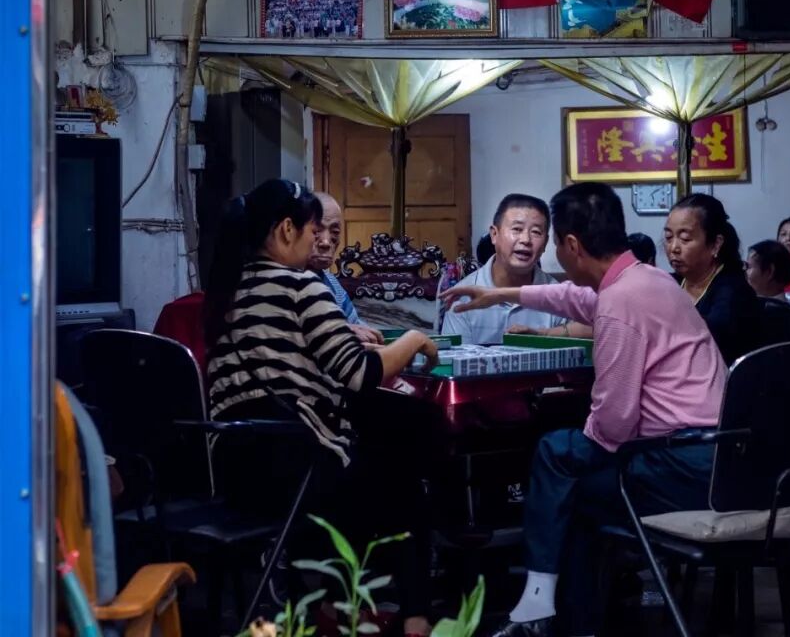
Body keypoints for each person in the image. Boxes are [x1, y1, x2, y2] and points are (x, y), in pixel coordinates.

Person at [441, 183, 725, 637]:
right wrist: (501, 295)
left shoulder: (620, 305)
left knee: (558, 457)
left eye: (550, 238)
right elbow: (576, 299)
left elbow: (613, 425)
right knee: (569, 480)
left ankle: (541, 611)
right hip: (721, 456)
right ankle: (552, 614)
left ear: (571, 245)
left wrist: (584, 436)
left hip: (682, 464)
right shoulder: (649, 280)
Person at [203, 179, 442, 637]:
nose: (319, 241)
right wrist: (414, 339)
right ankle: (414, 617)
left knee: (373, 460)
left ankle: (338, 604)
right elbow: (361, 374)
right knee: (404, 477)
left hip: (236, 473)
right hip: (297, 476)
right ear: (286, 230)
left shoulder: (231, 289)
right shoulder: (301, 286)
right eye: (314, 231)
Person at [439, 194, 566, 344]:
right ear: (494, 235)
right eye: (517, 229)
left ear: (545, 244)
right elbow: (455, 357)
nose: (526, 240)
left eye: (536, 232)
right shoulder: (464, 298)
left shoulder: (559, 298)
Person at [663, 193, 761, 366]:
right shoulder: (669, 283)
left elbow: (707, 345)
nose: (674, 248)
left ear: (716, 244)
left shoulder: (734, 293)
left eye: (685, 239)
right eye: (669, 237)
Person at [309, 192, 383, 345]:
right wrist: (341, 331)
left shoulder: (331, 283)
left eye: (334, 232)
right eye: (316, 231)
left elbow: (357, 326)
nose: (325, 242)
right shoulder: (283, 281)